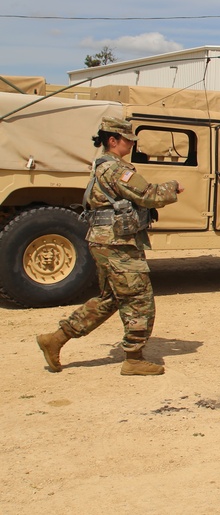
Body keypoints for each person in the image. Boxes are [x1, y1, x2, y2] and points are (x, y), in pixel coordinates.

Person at [36, 117, 183, 376]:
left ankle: (56, 339)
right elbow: (148, 195)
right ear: (112, 140)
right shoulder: (115, 169)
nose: (131, 144)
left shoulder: (104, 166)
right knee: (139, 299)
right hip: (117, 244)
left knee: (110, 299)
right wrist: (173, 187)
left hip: (106, 241)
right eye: (127, 140)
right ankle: (134, 359)